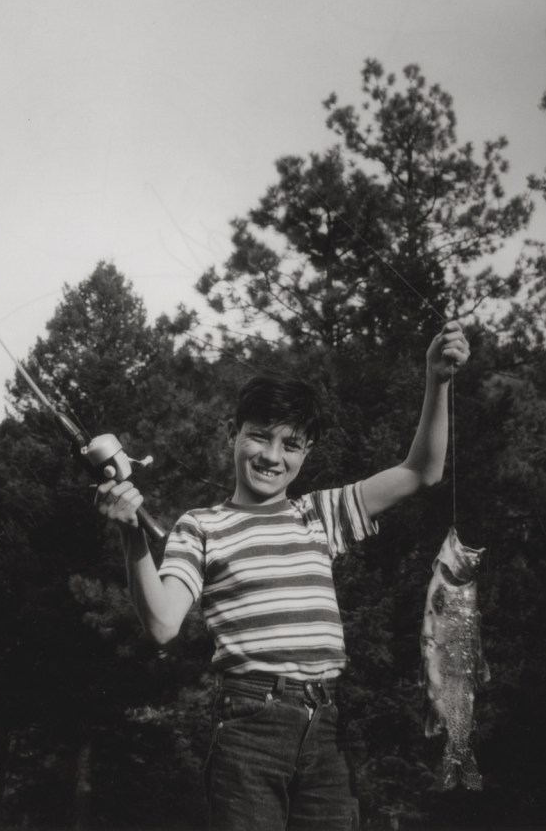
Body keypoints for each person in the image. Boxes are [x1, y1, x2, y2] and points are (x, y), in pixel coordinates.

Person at [96, 320, 470, 830]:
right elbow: (162, 624)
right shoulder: (200, 526)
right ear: (232, 434)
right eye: (259, 436)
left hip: (328, 729)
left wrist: (437, 380)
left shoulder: (320, 514)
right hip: (248, 725)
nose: (273, 456)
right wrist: (131, 535)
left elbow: (422, 471)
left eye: (291, 444)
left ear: (306, 452)